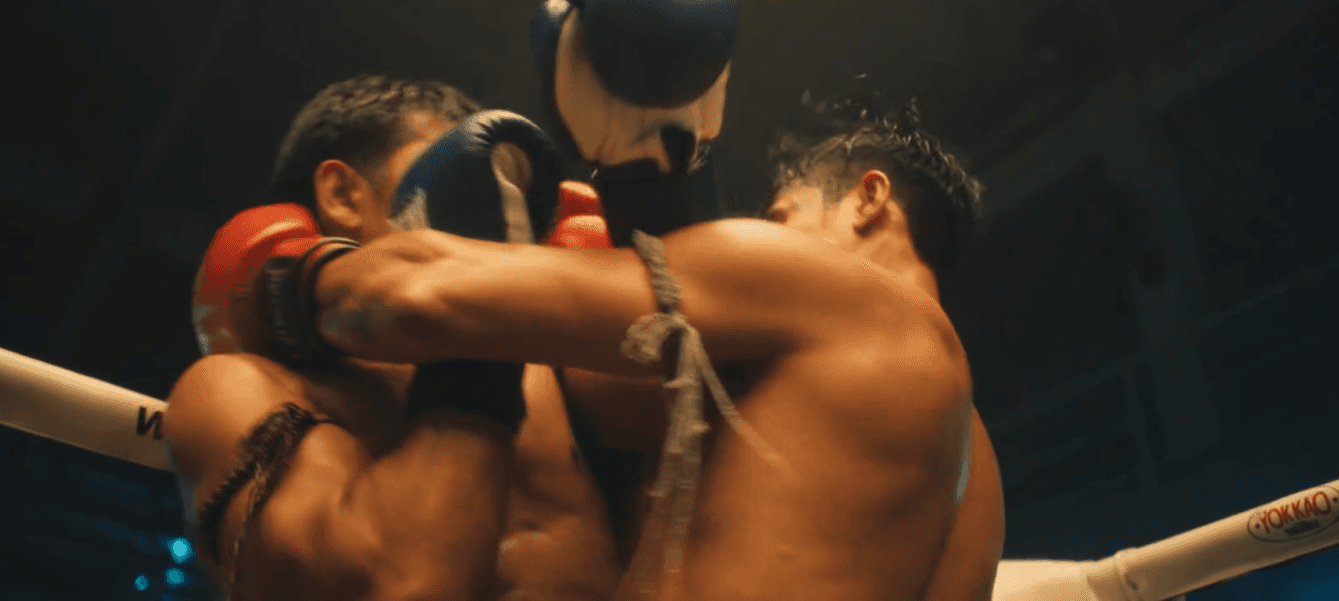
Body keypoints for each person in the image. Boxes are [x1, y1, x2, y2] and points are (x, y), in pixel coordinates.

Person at [303, 105, 1006, 600]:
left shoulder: (817, 287)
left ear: (868, 199)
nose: (767, 235)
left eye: (780, 218)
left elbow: (411, 296)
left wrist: (286, 276)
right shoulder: (976, 469)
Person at [162, 76, 621, 601]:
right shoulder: (237, 391)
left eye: (502, 180)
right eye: (452, 164)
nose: (494, 196)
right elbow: (401, 585)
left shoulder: (548, 360)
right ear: (342, 195)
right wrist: (472, 325)